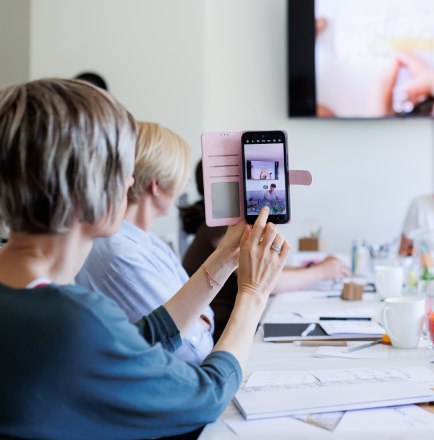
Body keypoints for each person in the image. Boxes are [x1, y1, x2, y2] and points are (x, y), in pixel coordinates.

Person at [0, 78, 290, 438]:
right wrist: (254, 293)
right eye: (123, 169)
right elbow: (205, 397)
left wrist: (225, 259)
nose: (129, 182)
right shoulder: (72, 321)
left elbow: (137, 340)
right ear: (89, 185)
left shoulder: (39, 307)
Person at [76, 121, 215, 364]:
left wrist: (197, 321)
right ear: (156, 185)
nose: (182, 189)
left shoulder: (150, 243)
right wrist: (196, 320)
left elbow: (207, 314)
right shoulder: (119, 252)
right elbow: (191, 351)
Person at [181, 161, 350, 340]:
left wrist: (312, 269)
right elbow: (268, 282)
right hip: (222, 336)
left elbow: (263, 268)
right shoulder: (223, 229)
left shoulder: (218, 226)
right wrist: (323, 272)